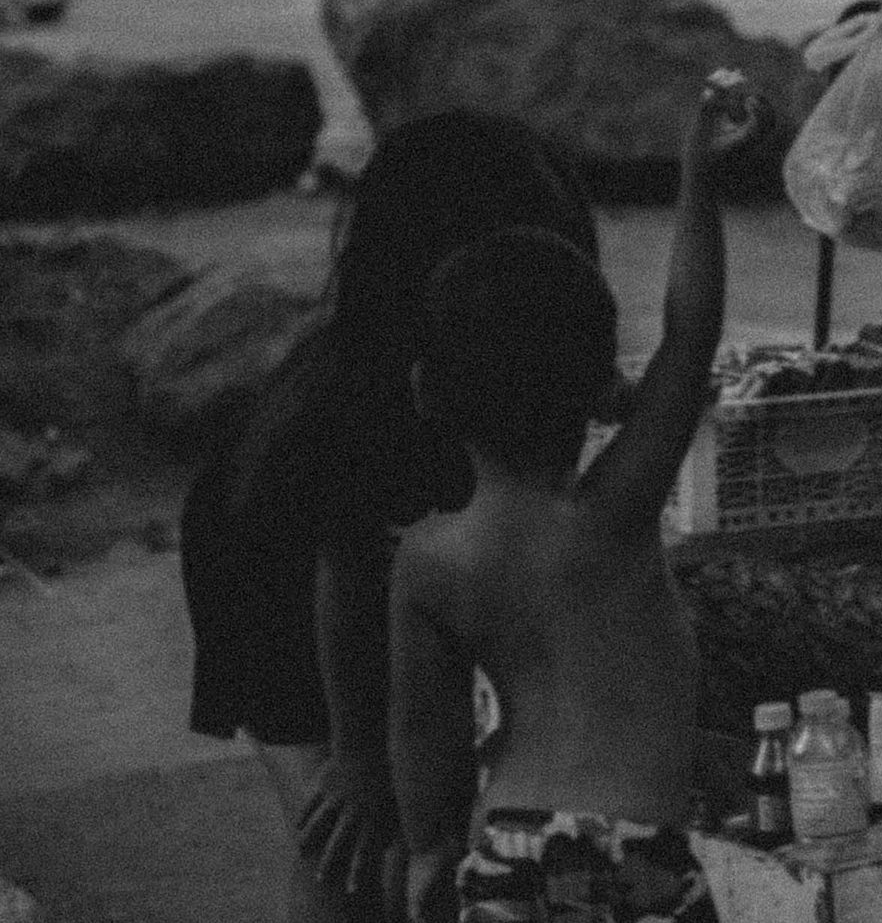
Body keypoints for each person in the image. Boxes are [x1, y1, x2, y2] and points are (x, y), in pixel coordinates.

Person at [180, 111, 602, 923]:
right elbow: (345, 574)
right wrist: (361, 756)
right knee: (350, 838)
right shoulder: (361, 403)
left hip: (322, 554)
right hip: (265, 568)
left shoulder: (446, 345)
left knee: (391, 838)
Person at [388, 73, 760, 922]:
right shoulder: (614, 514)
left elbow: (426, 734)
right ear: (602, 389)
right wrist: (697, 168)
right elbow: (691, 330)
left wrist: (429, 849)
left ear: (427, 393)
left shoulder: (429, 558)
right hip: (639, 858)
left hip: (508, 853)